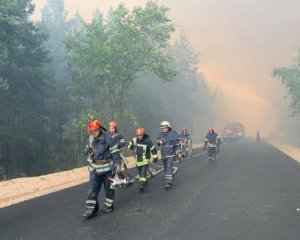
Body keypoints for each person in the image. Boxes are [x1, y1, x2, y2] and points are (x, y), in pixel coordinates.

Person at [82, 119, 122, 218]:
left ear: (99, 129)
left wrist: (118, 166)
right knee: (92, 190)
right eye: (91, 131)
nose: (93, 133)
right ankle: (91, 209)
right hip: (95, 169)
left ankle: (108, 205)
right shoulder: (90, 139)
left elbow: (115, 153)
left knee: (109, 189)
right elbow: (87, 150)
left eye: (95, 130)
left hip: (108, 170)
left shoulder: (109, 139)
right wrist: (87, 151)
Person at [128, 128, 158, 192]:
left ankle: (142, 185)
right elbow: (130, 145)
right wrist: (131, 146)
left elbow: (153, 148)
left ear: (143, 135)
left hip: (145, 160)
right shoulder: (135, 140)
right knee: (140, 173)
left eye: (141, 135)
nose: (140, 137)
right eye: (139, 135)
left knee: (143, 172)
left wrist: (155, 157)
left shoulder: (148, 141)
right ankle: (145, 181)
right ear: (136, 135)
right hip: (138, 160)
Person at [157, 121, 182, 190]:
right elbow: (157, 140)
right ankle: (168, 177)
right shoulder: (161, 134)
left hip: (171, 154)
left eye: (165, 128)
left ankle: (168, 182)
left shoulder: (173, 134)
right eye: (162, 128)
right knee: (166, 168)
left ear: (168, 127)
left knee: (169, 166)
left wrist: (179, 153)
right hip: (163, 154)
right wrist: (159, 142)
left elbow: (178, 145)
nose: (164, 129)